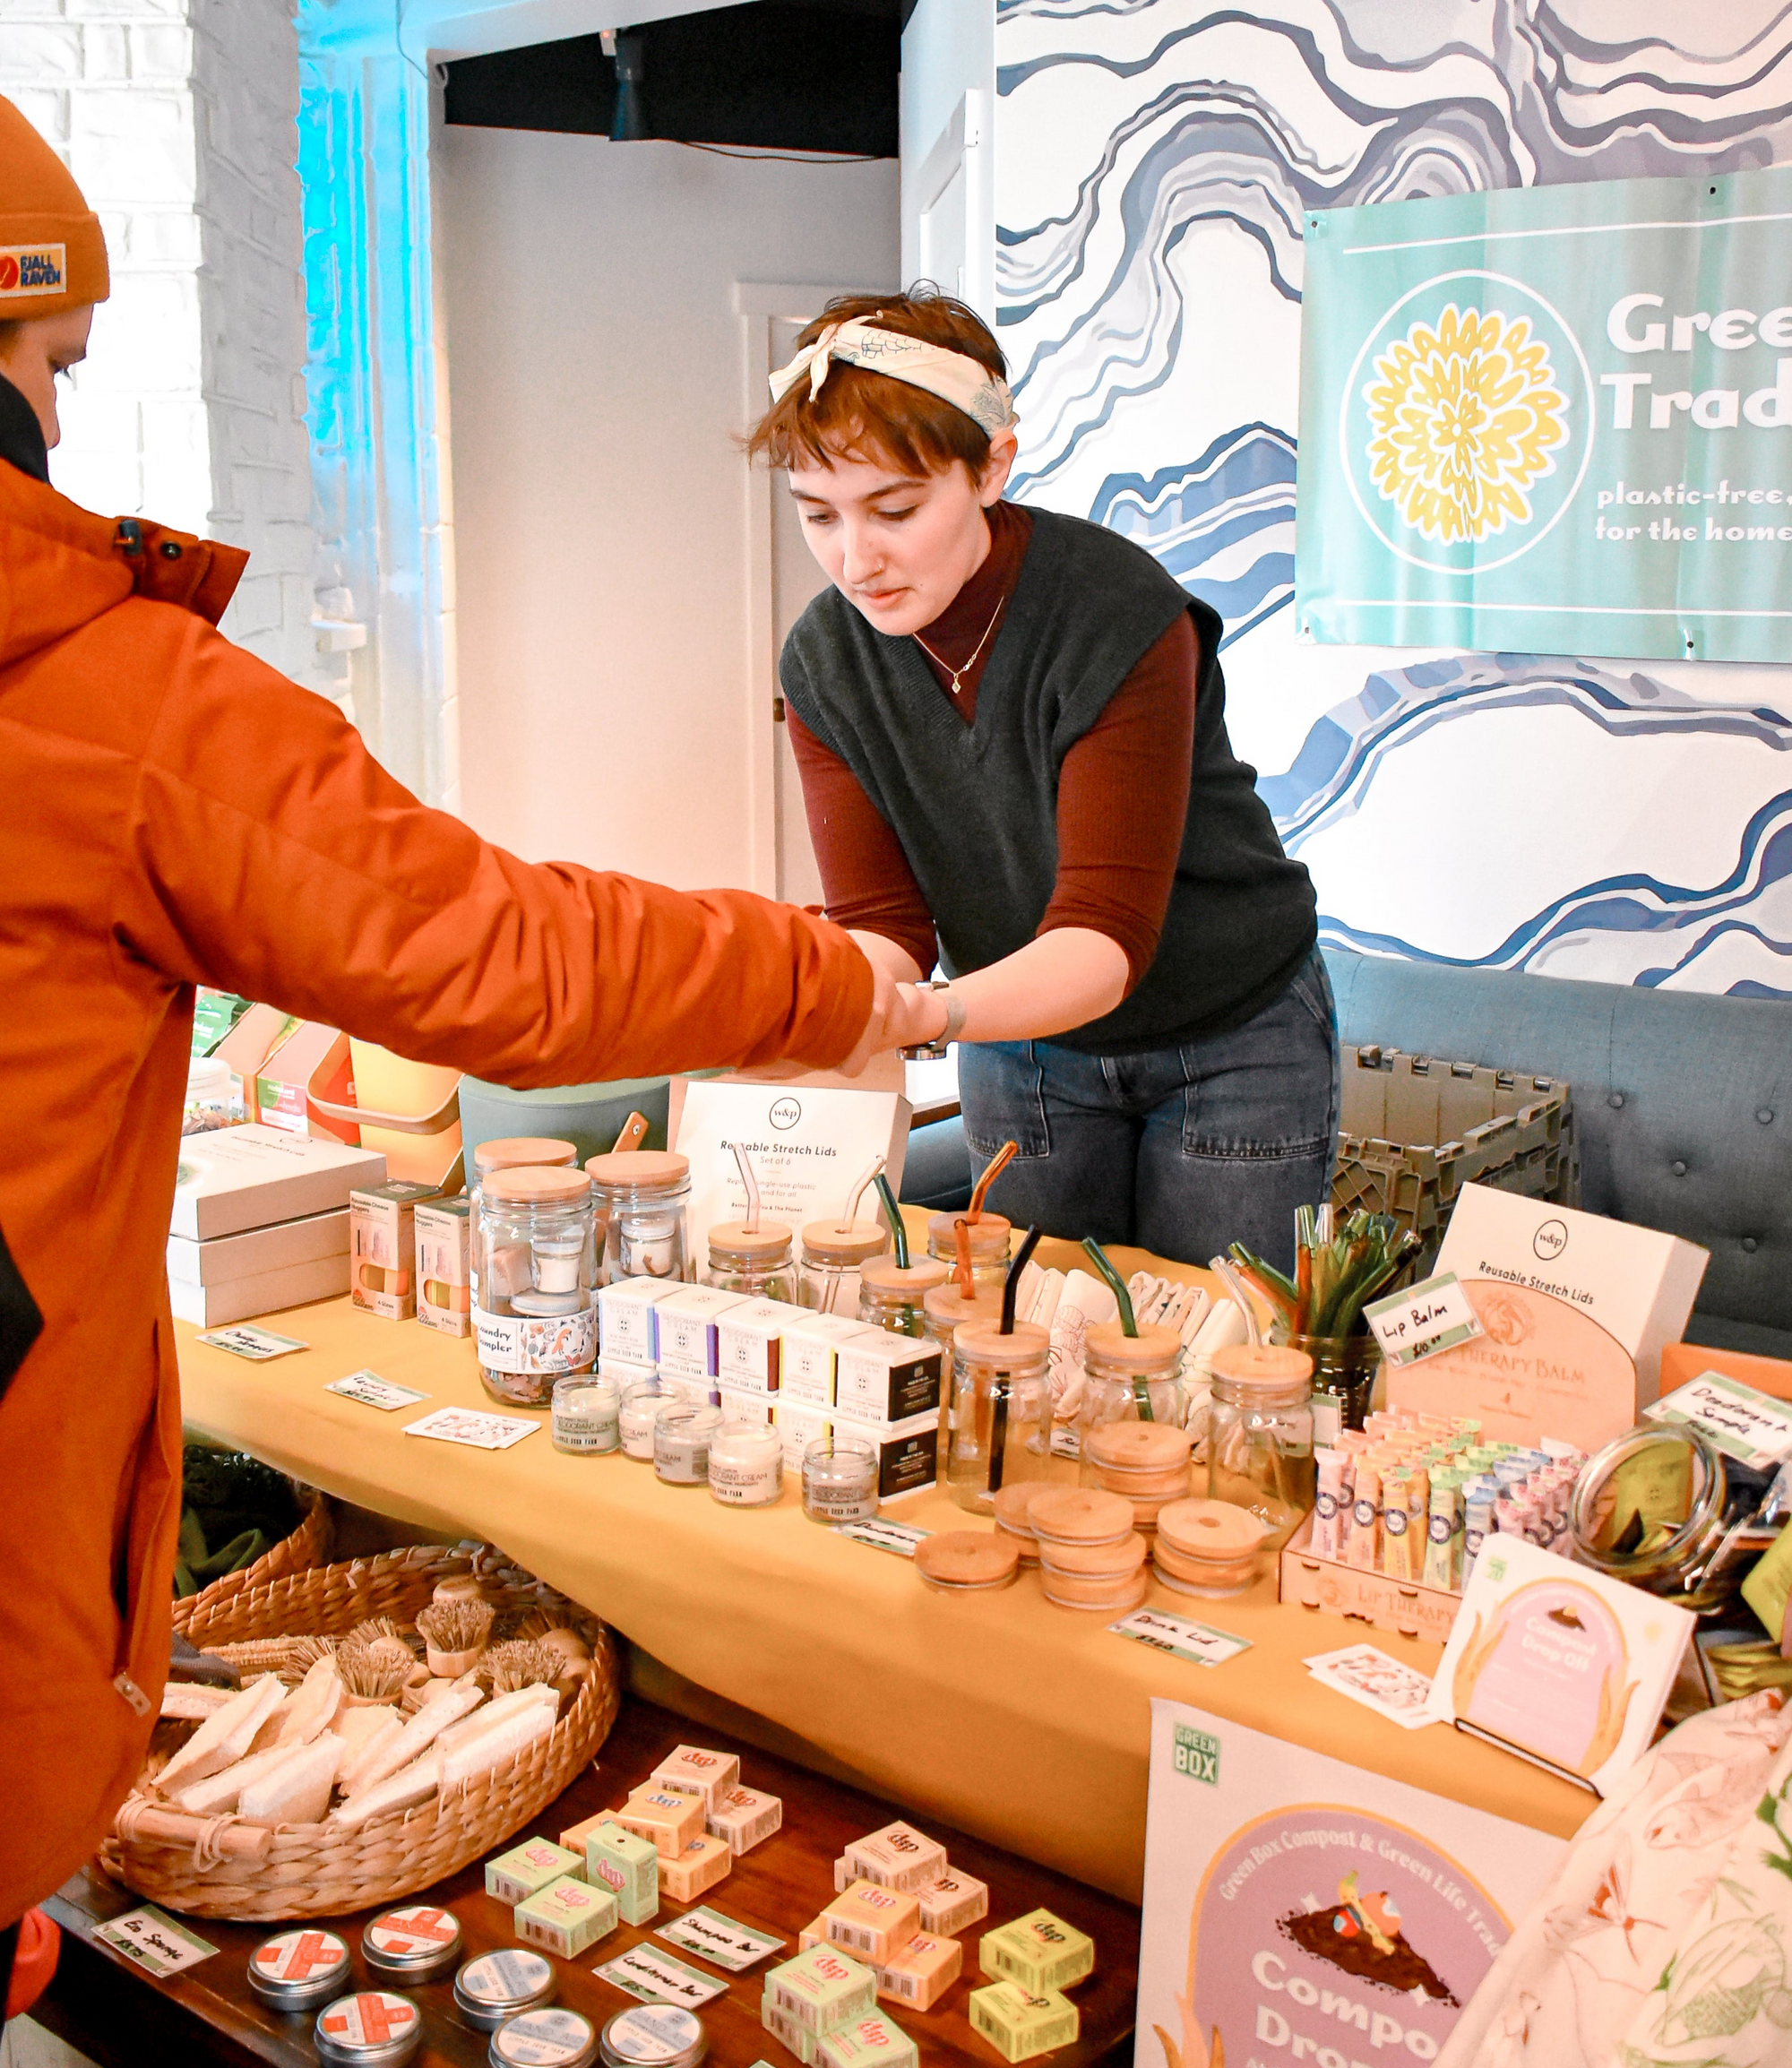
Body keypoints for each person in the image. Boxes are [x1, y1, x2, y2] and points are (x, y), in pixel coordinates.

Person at [0, 99, 933, 1954]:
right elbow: (497, 958)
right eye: (55, 363)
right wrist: (828, 980)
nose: (61, 424)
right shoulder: (96, 692)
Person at [750, 289, 1338, 1267]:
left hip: (1229, 1032)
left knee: (1216, 1354)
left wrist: (923, 1014)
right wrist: (796, 1002)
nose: (856, 559)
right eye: (818, 515)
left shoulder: (1114, 610)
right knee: (1028, 1340)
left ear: (991, 466)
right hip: (1019, 1039)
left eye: (894, 509)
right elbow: (887, 928)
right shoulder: (825, 663)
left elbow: (1102, 941)